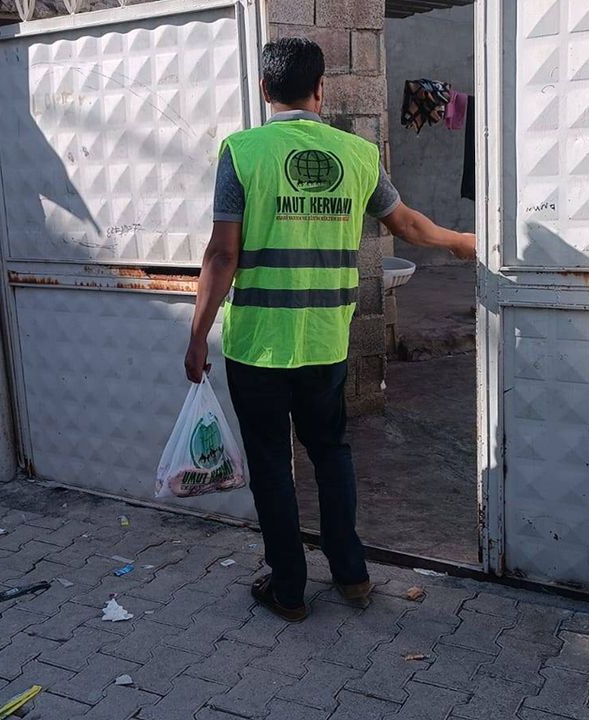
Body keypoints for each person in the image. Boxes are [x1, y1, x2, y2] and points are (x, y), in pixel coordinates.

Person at [184, 38, 475, 621]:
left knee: (272, 464)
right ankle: (352, 575)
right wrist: (462, 241)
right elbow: (407, 224)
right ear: (321, 90)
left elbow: (222, 254)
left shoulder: (243, 152)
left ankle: (289, 590)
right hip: (324, 339)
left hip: (258, 346)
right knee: (331, 453)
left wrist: (196, 337)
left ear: (265, 90)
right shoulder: (358, 154)